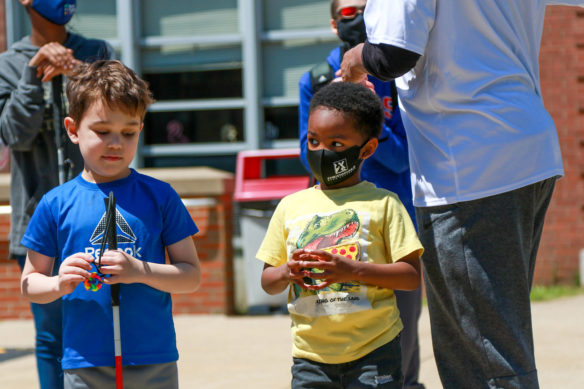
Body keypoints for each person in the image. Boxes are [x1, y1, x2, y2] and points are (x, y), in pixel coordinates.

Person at [339, 0, 584, 387]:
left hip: (468, 166)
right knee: (497, 340)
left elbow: (392, 53)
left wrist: (355, 57)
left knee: (482, 358)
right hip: (526, 150)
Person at [19, 60, 202, 389]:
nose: (116, 142)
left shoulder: (160, 196)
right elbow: (29, 284)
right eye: (102, 131)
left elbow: (191, 276)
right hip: (84, 359)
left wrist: (140, 271)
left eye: (128, 132)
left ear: (141, 129)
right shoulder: (55, 203)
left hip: (153, 357)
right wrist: (60, 282)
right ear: (73, 130)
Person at [259, 81, 423, 389]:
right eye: (313, 141)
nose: (321, 152)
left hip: (375, 350)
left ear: (368, 149)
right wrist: (287, 271)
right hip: (311, 356)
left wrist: (353, 271)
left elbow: (411, 276)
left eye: (336, 144)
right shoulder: (290, 207)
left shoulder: (385, 204)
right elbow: (268, 281)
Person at [297, 2, 425, 387]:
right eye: (350, 10)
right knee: (332, 324)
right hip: (334, 227)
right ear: (335, 22)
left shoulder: (397, 76)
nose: (359, 19)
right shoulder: (317, 79)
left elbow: (403, 159)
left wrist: (372, 123)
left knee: (400, 331)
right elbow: (311, 159)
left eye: (367, 9)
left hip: (391, 223)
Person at [0, 1, 114, 387]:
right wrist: (34, 74)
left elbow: (116, 113)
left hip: (97, 218)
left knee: (103, 326)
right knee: (50, 336)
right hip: (38, 222)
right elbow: (15, 136)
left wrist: (78, 73)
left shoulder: (96, 52)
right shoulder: (8, 64)